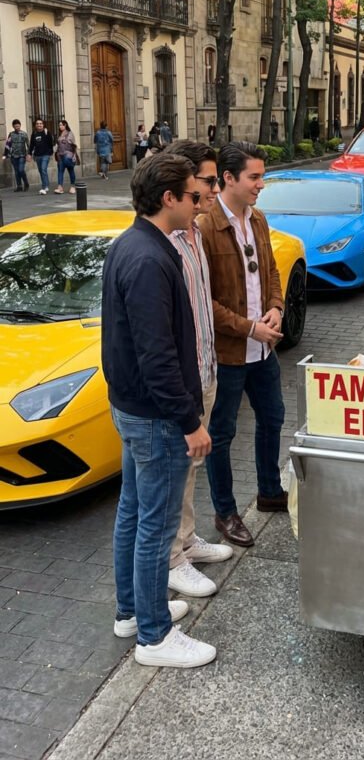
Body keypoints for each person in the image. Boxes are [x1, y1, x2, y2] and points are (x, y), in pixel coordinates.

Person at [102, 152, 215, 669]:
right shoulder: (148, 256)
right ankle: (154, 635)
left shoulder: (132, 243)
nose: (199, 204)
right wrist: (189, 421)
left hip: (135, 409)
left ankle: (133, 611)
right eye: (193, 196)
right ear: (168, 198)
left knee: (133, 513)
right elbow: (157, 353)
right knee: (154, 525)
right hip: (156, 415)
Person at [199, 141, 287, 547]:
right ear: (228, 179)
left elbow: (270, 272)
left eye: (262, 177)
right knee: (222, 433)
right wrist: (250, 328)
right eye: (254, 177)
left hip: (263, 351)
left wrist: (275, 308)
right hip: (229, 353)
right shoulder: (204, 227)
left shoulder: (260, 220)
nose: (261, 185)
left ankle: (269, 491)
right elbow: (203, 301)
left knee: (272, 418)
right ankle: (225, 512)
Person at [164, 140, 233, 597]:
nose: (214, 188)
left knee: (189, 468)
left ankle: (186, 542)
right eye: (207, 182)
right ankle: (170, 559)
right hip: (181, 379)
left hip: (205, 370)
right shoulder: (164, 240)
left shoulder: (194, 231)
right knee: (169, 474)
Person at [30, 118, 53, 195]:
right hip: (37, 155)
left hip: (45, 155)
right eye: (37, 123)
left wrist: (50, 152)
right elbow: (31, 145)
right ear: (35, 125)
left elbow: (51, 143)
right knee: (41, 171)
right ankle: (45, 184)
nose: (39, 125)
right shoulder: (34, 133)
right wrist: (29, 153)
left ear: (43, 125)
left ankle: (45, 186)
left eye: (40, 123)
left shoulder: (47, 132)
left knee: (43, 169)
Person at [6, 119, 30, 192]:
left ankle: (26, 183)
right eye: (16, 126)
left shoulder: (24, 134)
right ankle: (19, 186)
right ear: (13, 126)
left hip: (22, 155)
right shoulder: (11, 134)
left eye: (18, 126)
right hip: (13, 155)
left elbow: (28, 145)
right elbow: (8, 144)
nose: (17, 127)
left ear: (20, 126)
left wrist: (29, 154)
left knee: (21, 170)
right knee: (16, 171)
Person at [54, 120, 77, 194]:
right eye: (59, 125)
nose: (60, 126)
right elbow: (57, 145)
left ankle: (73, 187)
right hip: (60, 156)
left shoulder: (70, 133)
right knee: (60, 172)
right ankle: (60, 187)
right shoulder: (59, 134)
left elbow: (74, 145)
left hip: (68, 156)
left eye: (62, 125)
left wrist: (74, 155)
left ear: (65, 125)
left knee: (71, 170)